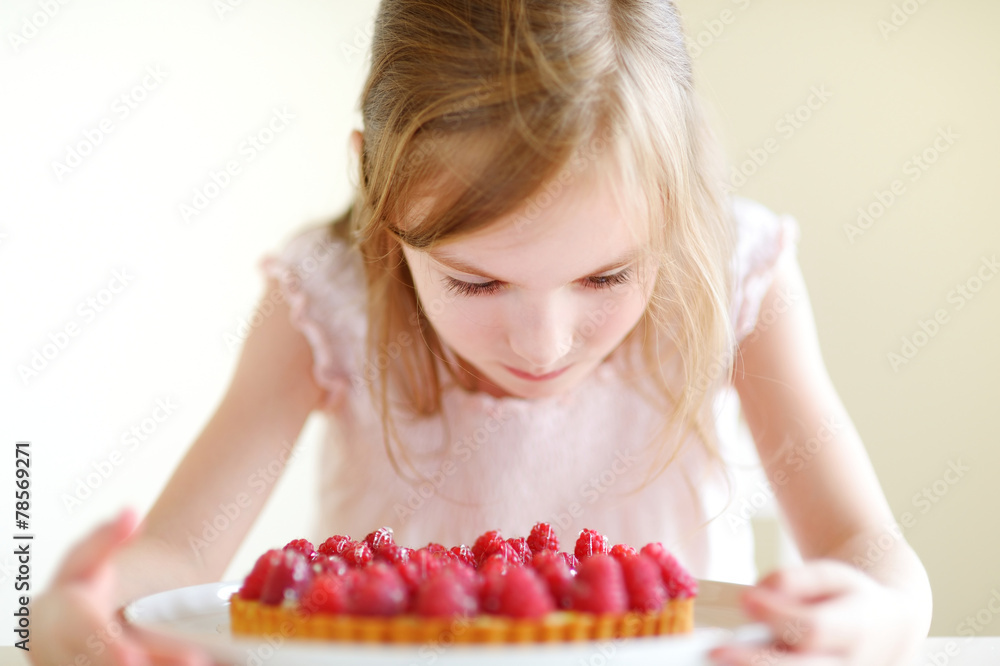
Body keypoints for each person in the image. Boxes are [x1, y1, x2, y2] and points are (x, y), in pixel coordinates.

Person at [31, 1, 933, 664]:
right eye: (476, 279)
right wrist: (90, 608)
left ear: (683, 190)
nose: (542, 344)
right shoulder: (325, 296)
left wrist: (881, 616)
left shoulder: (742, 279)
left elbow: (871, 551)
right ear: (375, 185)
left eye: (607, 276)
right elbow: (182, 556)